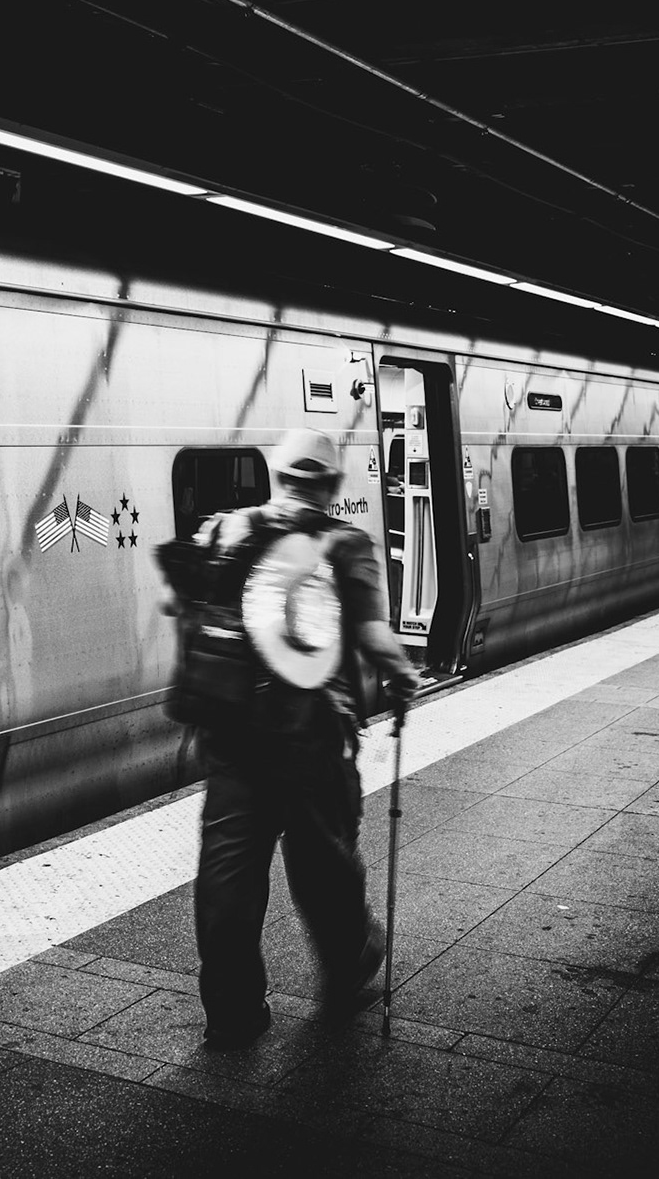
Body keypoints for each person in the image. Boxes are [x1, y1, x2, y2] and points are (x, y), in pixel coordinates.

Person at [185, 427, 421, 1047]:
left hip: (234, 736)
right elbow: (372, 636)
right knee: (325, 866)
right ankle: (350, 967)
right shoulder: (346, 545)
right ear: (334, 486)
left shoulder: (226, 530)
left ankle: (233, 1011)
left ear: (276, 475)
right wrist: (401, 677)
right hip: (314, 736)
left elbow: (174, 604)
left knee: (228, 872)